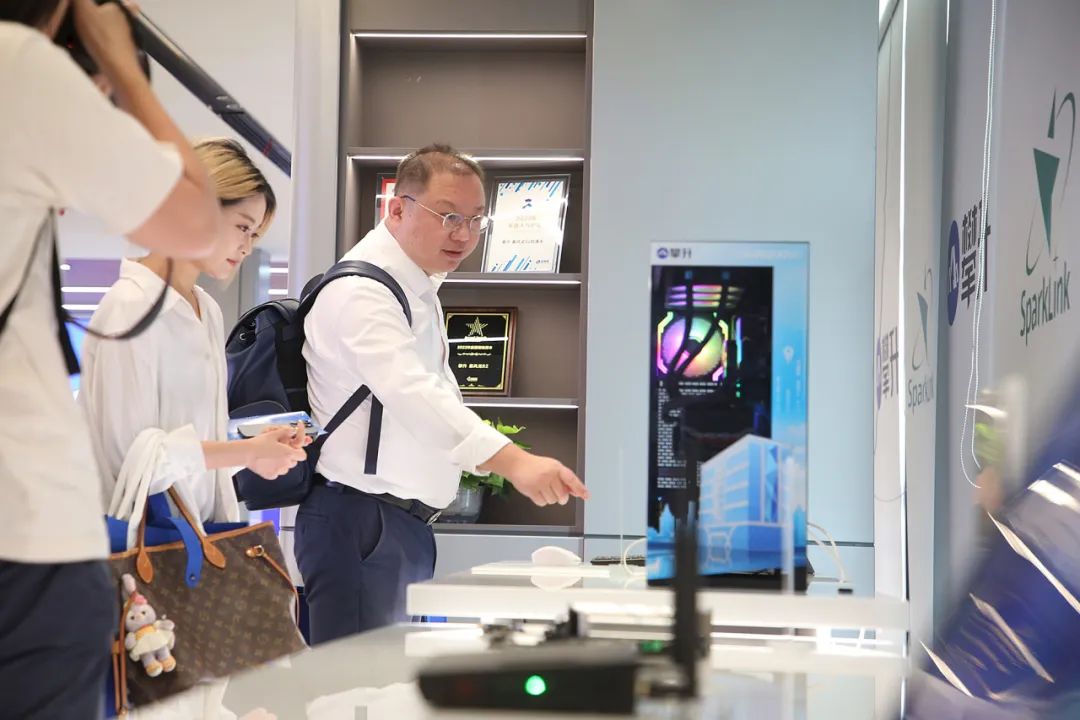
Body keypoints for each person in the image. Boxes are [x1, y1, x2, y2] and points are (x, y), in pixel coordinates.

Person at [0, 1, 222, 718]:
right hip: (23, 528)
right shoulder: (18, 65)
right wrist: (120, 64)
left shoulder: (208, 311)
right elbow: (197, 221)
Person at [297, 144, 590, 644]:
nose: (464, 234)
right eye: (449, 216)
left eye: (476, 220)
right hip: (360, 521)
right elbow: (413, 394)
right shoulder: (361, 292)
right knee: (354, 684)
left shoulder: (414, 285)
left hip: (394, 524)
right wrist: (514, 462)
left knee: (383, 681)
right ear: (397, 208)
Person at [79, 137, 308, 523]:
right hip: (141, 543)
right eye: (242, 227)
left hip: (199, 536)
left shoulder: (207, 310)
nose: (246, 247)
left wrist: (254, 448)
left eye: (254, 235)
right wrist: (244, 452)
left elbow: (194, 453)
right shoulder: (131, 306)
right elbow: (132, 463)